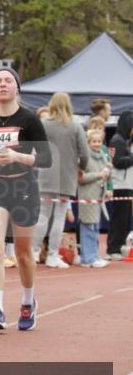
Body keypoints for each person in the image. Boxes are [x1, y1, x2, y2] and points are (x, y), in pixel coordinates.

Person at [0, 68, 51, 332]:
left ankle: (28, 301)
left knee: (23, 254)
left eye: (8, 80)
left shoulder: (29, 119)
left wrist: (18, 157)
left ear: (17, 87)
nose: (3, 84)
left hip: (25, 187)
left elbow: (46, 158)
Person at [32, 92, 89, 269]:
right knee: (59, 217)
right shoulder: (75, 126)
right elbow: (84, 153)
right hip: (67, 177)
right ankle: (52, 255)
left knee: (43, 215)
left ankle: (33, 252)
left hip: (46, 176)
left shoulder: (44, 124)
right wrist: (82, 168)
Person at [76, 130, 112, 268]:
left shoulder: (103, 156)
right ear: (88, 142)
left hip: (98, 197)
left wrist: (108, 173)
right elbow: (81, 178)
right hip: (87, 197)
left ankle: (94, 255)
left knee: (95, 227)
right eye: (94, 141)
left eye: (99, 141)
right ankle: (87, 258)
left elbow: (105, 176)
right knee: (88, 227)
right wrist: (99, 174)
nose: (97, 144)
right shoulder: (84, 159)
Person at [106, 110, 133, 260]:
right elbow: (116, 162)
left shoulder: (124, 141)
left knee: (125, 219)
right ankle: (112, 248)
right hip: (119, 185)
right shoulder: (117, 140)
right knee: (119, 219)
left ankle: (119, 246)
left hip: (127, 185)